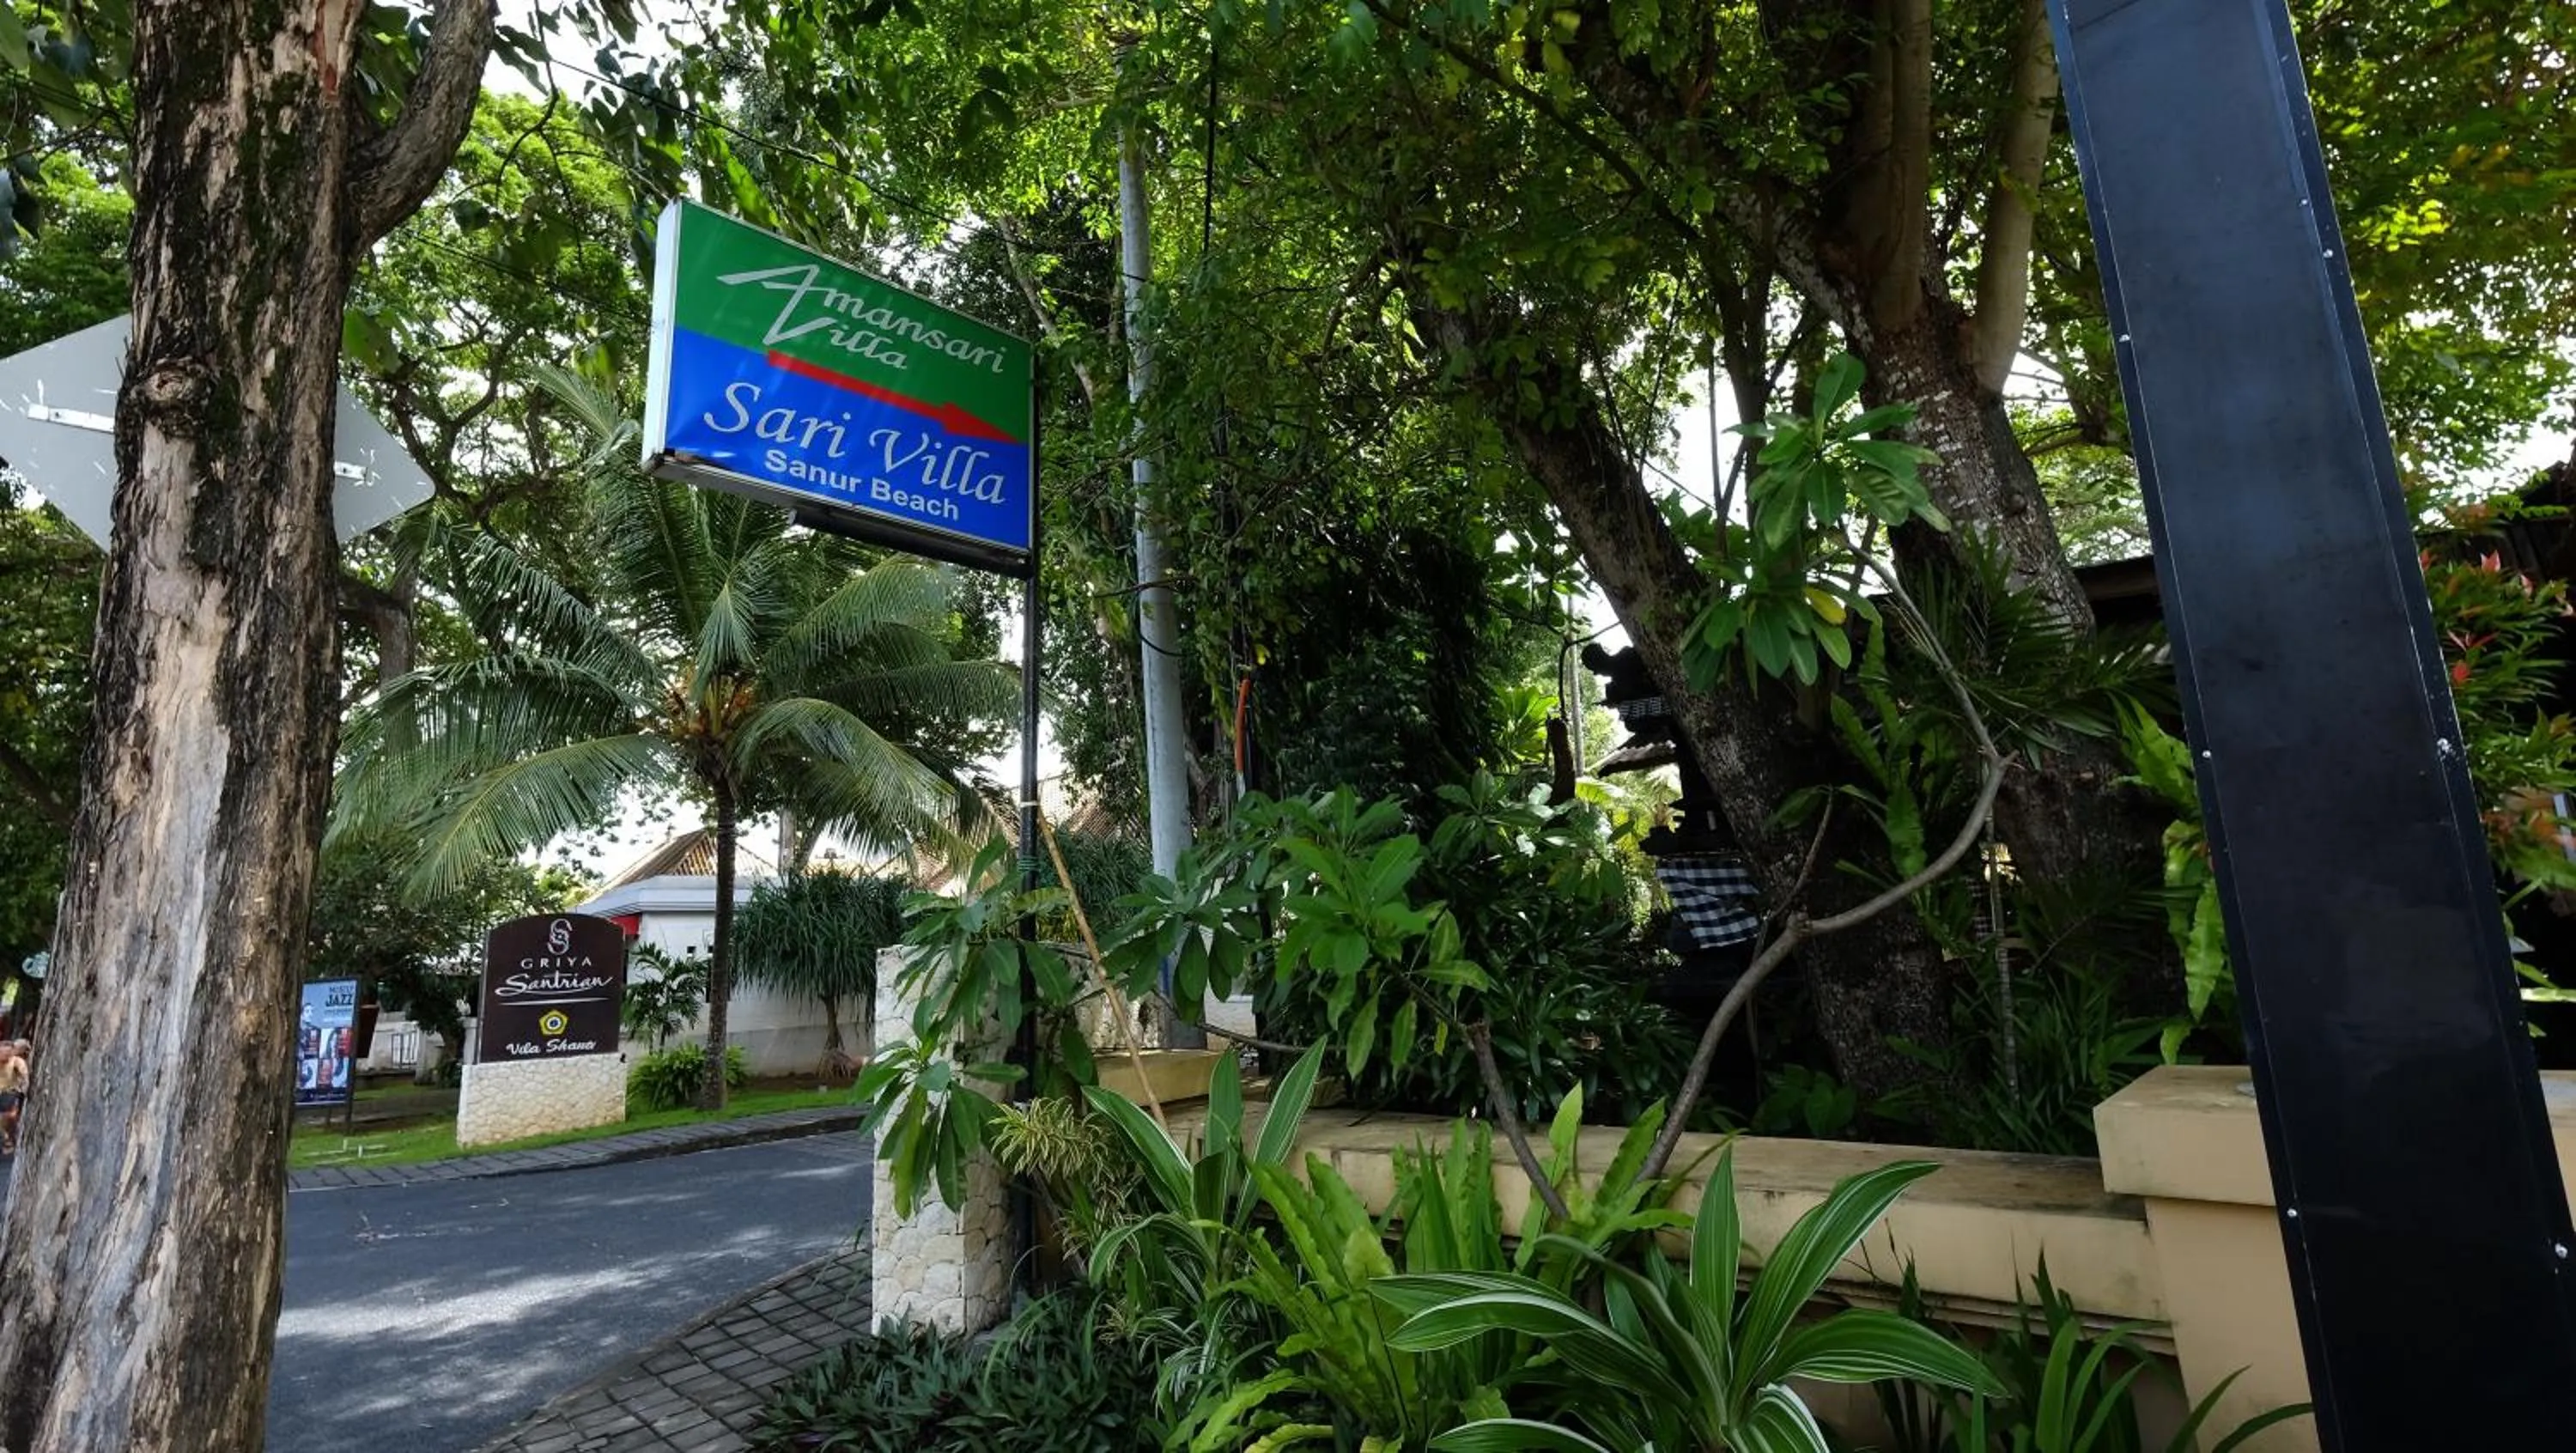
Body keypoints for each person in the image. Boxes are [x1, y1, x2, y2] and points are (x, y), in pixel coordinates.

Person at [0, 1040, 26, 1158]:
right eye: (2, 1053)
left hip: (11, 1094)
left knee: (9, 1116)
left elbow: (24, 1077)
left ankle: (8, 1139)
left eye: (8, 1054)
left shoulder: (16, 1062)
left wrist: (23, 1084)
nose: (5, 1056)